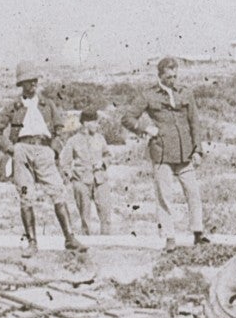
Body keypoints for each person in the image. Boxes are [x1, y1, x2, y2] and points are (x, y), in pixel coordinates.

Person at [0, 61, 85, 253]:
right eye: (28, 81)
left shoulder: (47, 105)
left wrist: (54, 150)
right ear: (21, 84)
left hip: (44, 151)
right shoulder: (14, 107)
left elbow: (60, 129)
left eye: (34, 80)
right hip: (22, 151)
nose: (33, 84)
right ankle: (32, 243)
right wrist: (12, 150)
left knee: (58, 191)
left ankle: (70, 238)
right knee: (26, 196)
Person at [123, 56, 207, 250]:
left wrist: (198, 150)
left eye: (175, 76)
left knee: (193, 193)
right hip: (162, 153)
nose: (172, 80)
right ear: (160, 75)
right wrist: (145, 128)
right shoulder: (148, 95)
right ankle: (169, 237)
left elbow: (194, 123)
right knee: (164, 197)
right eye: (168, 77)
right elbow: (127, 118)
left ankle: (198, 233)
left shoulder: (185, 92)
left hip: (185, 153)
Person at [61, 108, 113, 237]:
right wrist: (72, 178)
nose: (96, 125)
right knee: (85, 217)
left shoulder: (100, 138)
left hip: (100, 180)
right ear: (85, 123)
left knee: (106, 214)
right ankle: (87, 243)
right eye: (93, 122)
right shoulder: (73, 140)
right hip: (81, 182)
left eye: (96, 122)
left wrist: (103, 163)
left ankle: (107, 243)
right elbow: (65, 163)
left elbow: (108, 155)